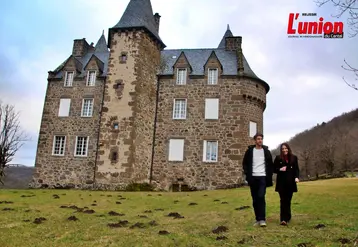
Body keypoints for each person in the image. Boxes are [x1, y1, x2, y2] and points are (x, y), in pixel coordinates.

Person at [242, 133, 274, 227]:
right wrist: (248, 175)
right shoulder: (250, 151)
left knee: (261, 196)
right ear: (255, 140)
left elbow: (270, 164)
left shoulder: (266, 151)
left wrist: (269, 175)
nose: (260, 140)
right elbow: (245, 163)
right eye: (258, 139)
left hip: (262, 177)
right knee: (255, 199)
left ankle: (262, 219)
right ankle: (257, 219)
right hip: (253, 178)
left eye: (261, 139)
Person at [273, 142, 300, 226]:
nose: (284, 150)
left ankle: (288, 217)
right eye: (283, 149)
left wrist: (296, 177)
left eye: (286, 148)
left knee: (288, 200)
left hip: (291, 182)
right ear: (281, 150)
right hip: (281, 183)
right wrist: (280, 169)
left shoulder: (294, 158)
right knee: (283, 200)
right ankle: (283, 219)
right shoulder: (278, 158)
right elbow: (273, 169)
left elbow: (296, 169)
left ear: (288, 149)